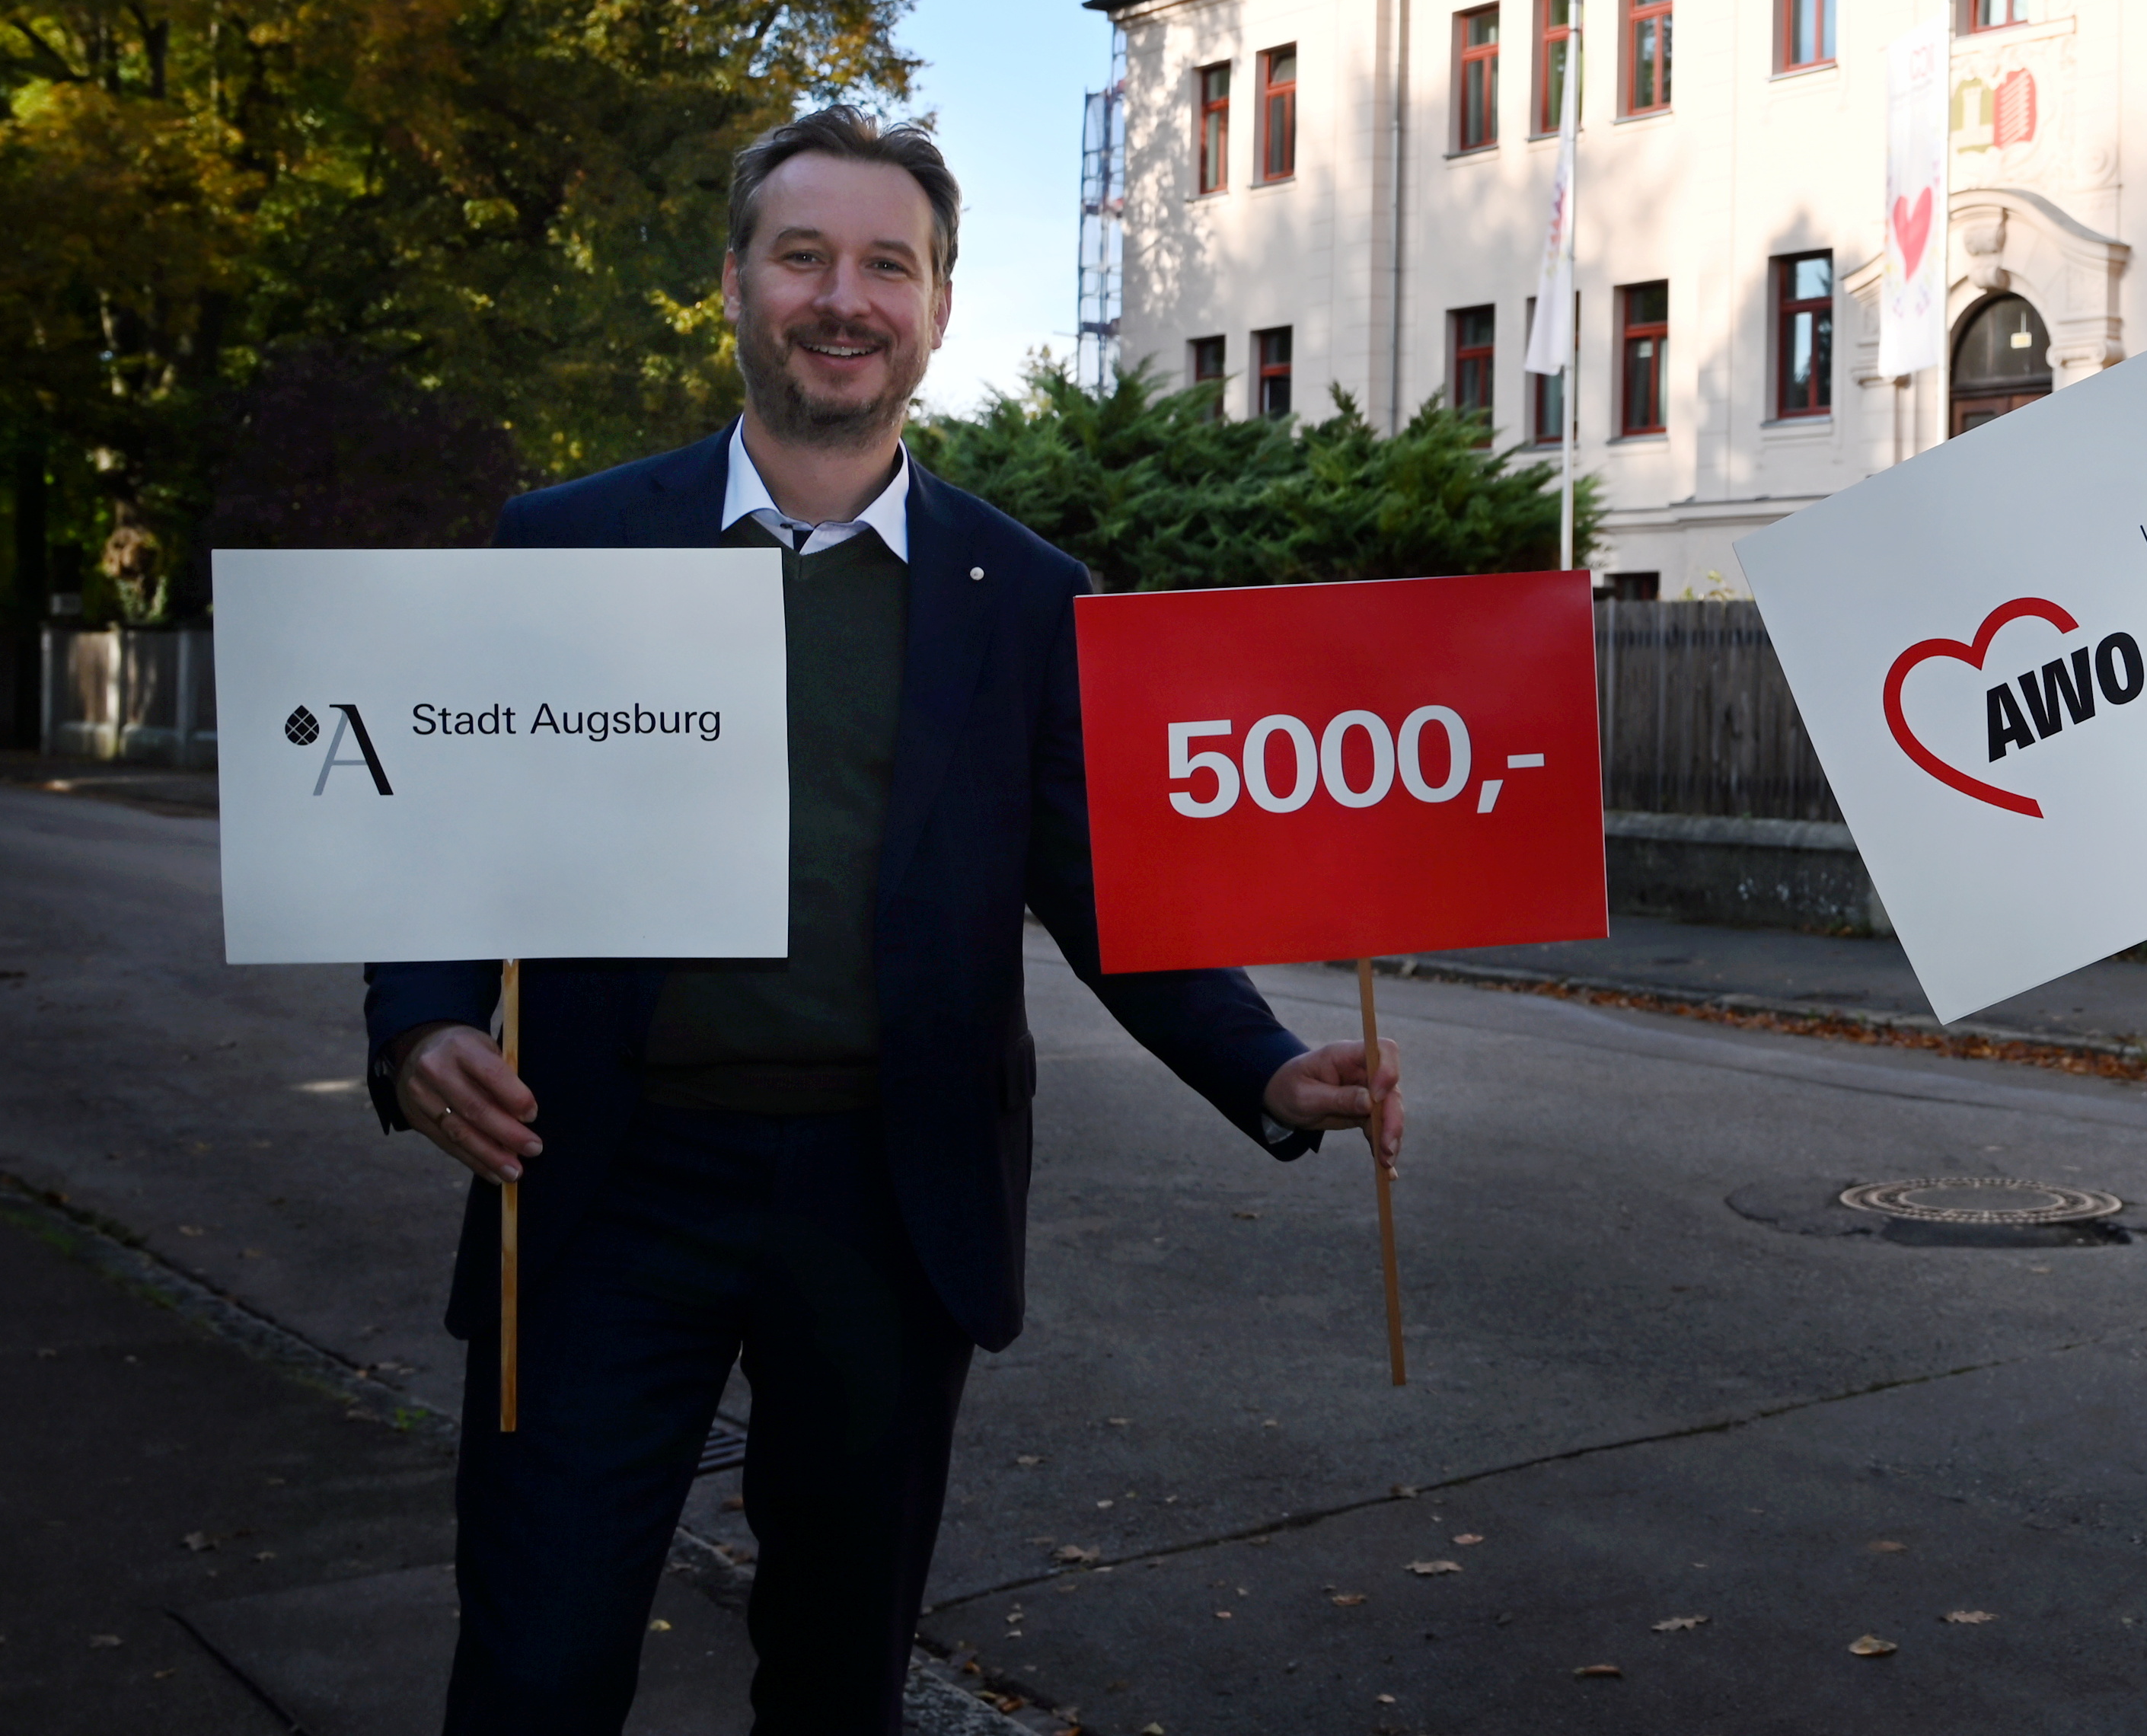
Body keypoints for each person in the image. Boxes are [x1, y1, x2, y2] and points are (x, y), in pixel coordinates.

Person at [364, 106, 1404, 1733]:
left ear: (933, 307)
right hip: (596, 1190)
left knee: (840, 1679)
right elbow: (445, 829)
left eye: (885, 266)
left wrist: (1265, 1068)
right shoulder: (563, 546)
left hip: (886, 1201)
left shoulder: (1026, 594)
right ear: (731, 283)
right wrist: (422, 1024)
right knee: (536, 1659)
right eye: (803, 257)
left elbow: (1102, 884)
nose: (842, 297)